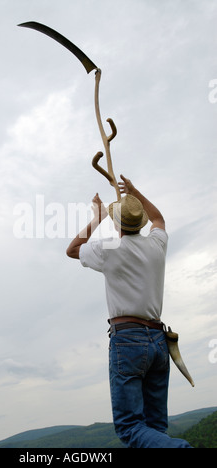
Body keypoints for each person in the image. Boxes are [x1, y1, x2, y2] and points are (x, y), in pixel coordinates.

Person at [66, 175, 192, 449]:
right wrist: (135, 192)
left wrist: (98, 217)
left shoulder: (109, 250)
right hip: (159, 340)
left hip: (129, 340)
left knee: (130, 427)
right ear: (140, 222)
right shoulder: (157, 244)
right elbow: (159, 219)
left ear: (116, 223)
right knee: (156, 427)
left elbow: (72, 250)